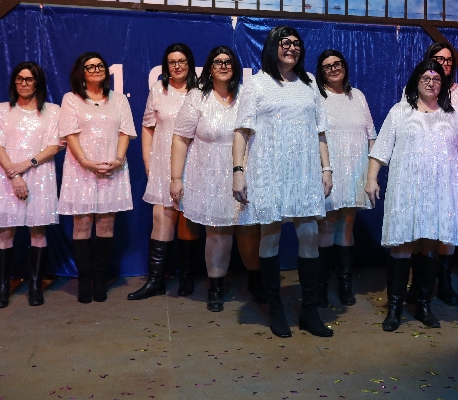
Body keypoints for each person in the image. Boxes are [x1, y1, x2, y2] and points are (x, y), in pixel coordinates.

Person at [232, 26, 334, 338]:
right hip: (269, 171)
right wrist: (238, 171)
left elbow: (320, 131)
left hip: (304, 171)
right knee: (270, 237)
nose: (291, 47)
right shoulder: (257, 84)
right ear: (272, 47)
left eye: (296, 43)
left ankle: (309, 311)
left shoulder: (310, 82)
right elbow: (242, 131)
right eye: (284, 42)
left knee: (309, 234)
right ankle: (275, 309)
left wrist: (326, 168)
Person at [366, 60, 458, 332]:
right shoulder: (400, 112)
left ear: (443, 84)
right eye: (425, 78)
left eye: (436, 79)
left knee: (430, 246)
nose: (431, 83)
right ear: (416, 81)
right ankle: (394, 308)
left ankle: (424, 305)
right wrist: (371, 178)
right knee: (402, 246)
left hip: (441, 191)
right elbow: (380, 149)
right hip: (406, 189)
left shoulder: (454, 117)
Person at [170, 46, 262, 312]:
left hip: (244, 172)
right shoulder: (197, 97)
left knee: (248, 230)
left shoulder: (246, 96)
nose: (223, 66)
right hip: (208, 174)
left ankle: (256, 282)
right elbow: (180, 139)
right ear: (209, 68)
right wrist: (175, 178)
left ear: (236, 67)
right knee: (217, 233)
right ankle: (216, 288)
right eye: (218, 62)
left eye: (228, 62)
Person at [58, 52, 136, 304]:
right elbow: (70, 134)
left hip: (111, 166)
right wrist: (85, 162)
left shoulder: (119, 99)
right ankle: (84, 280)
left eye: (100, 66)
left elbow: (125, 132)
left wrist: (119, 159)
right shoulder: (71, 99)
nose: (96, 70)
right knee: (82, 225)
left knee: (105, 224)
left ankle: (99, 279)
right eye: (90, 67)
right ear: (81, 72)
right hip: (80, 167)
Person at [0, 62, 61, 308]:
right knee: (6, 232)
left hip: (40, 174)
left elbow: (54, 146)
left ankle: (35, 286)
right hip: (8, 175)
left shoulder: (52, 111)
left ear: (37, 82)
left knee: (38, 231)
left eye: (29, 79)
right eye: (19, 79)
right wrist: (14, 174)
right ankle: (3, 288)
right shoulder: (1, 109)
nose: (24, 83)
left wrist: (27, 164)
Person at [128, 44, 198, 300]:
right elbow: (148, 126)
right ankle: (155, 281)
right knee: (161, 218)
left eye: (181, 61)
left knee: (188, 222)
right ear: (166, 66)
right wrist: (147, 160)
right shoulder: (158, 89)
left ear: (189, 63)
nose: (177, 66)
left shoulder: (200, 90)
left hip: (192, 162)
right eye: (172, 62)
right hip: (162, 163)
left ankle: (187, 279)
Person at [314, 49, 376, 307]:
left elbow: (371, 136)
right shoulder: (318, 97)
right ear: (321, 72)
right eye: (327, 66)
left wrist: (372, 173)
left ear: (345, 66)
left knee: (348, 222)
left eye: (337, 63)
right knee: (327, 223)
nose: (334, 69)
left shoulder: (357, 96)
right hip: (329, 168)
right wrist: (324, 169)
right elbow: (316, 136)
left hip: (356, 167)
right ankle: (320, 285)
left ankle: (344, 283)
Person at [420, 42, 458, 305]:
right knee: (423, 223)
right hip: (423, 165)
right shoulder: (417, 85)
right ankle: (420, 283)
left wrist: (440, 112)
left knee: (448, 223)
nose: (444, 64)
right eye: (439, 59)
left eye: (448, 60)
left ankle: (444, 281)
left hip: (451, 166)